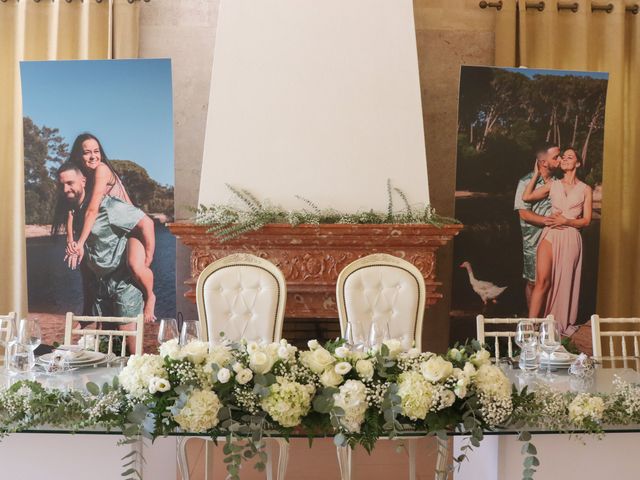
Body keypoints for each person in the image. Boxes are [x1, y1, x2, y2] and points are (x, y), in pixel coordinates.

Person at [54, 162, 155, 353]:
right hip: (101, 288)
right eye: (61, 185)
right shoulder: (73, 214)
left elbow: (146, 222)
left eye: (70, 183)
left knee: (132, 349)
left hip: (124, 284)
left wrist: (148, 256)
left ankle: (150, 297)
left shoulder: (107, 206)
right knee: (107, 349)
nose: (66, 189)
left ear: (83, 181)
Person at [65, 133, 156, 323]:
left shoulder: (101, 170)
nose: (93, 156)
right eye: (87, 152)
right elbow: (72, 211)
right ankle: (88, 314)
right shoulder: (82, 177)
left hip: (130, 230)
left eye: (96, 151)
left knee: (135, 266)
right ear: (78, 156)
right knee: (87, 269)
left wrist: (149, 255)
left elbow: (92, 209)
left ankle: (150, 297)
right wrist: (71, 242)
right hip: (110, 234)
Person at [522, 147, 593, 336]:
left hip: (571, 236)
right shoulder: (553, 184)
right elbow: (526, 197)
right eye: (563, 157)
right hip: (551, 234)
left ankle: (557, 327)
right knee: (542, 281)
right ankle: (530, 328)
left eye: (570, 157)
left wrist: (567, 221)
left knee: (564, 283)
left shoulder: (586, 189)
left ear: (577, 163)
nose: (565, 159)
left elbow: (586, 220)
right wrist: (537, 173)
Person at [514, 143, 560, 308]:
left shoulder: (558, 182)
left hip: (554, 238)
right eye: (556, 157)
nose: (560, 160)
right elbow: (524, 213)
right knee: (534, 282)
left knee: (551, 281)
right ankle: (531, 323)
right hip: (533, 240)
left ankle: (548, 322)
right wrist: (548, 221)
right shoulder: (525, 182)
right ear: (543, 162)